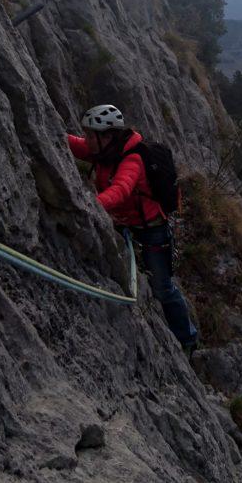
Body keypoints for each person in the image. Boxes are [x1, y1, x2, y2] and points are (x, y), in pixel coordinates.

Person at [67, 104, 199, 356]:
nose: (86, 139)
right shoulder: (104, 151)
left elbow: (121, 189)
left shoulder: (133, 158)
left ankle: (187, 339)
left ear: (106, 136)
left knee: (162, 288)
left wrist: (90, 204)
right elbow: (74, 144)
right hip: (125, 224)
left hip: (152, 230)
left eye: (90, 134)